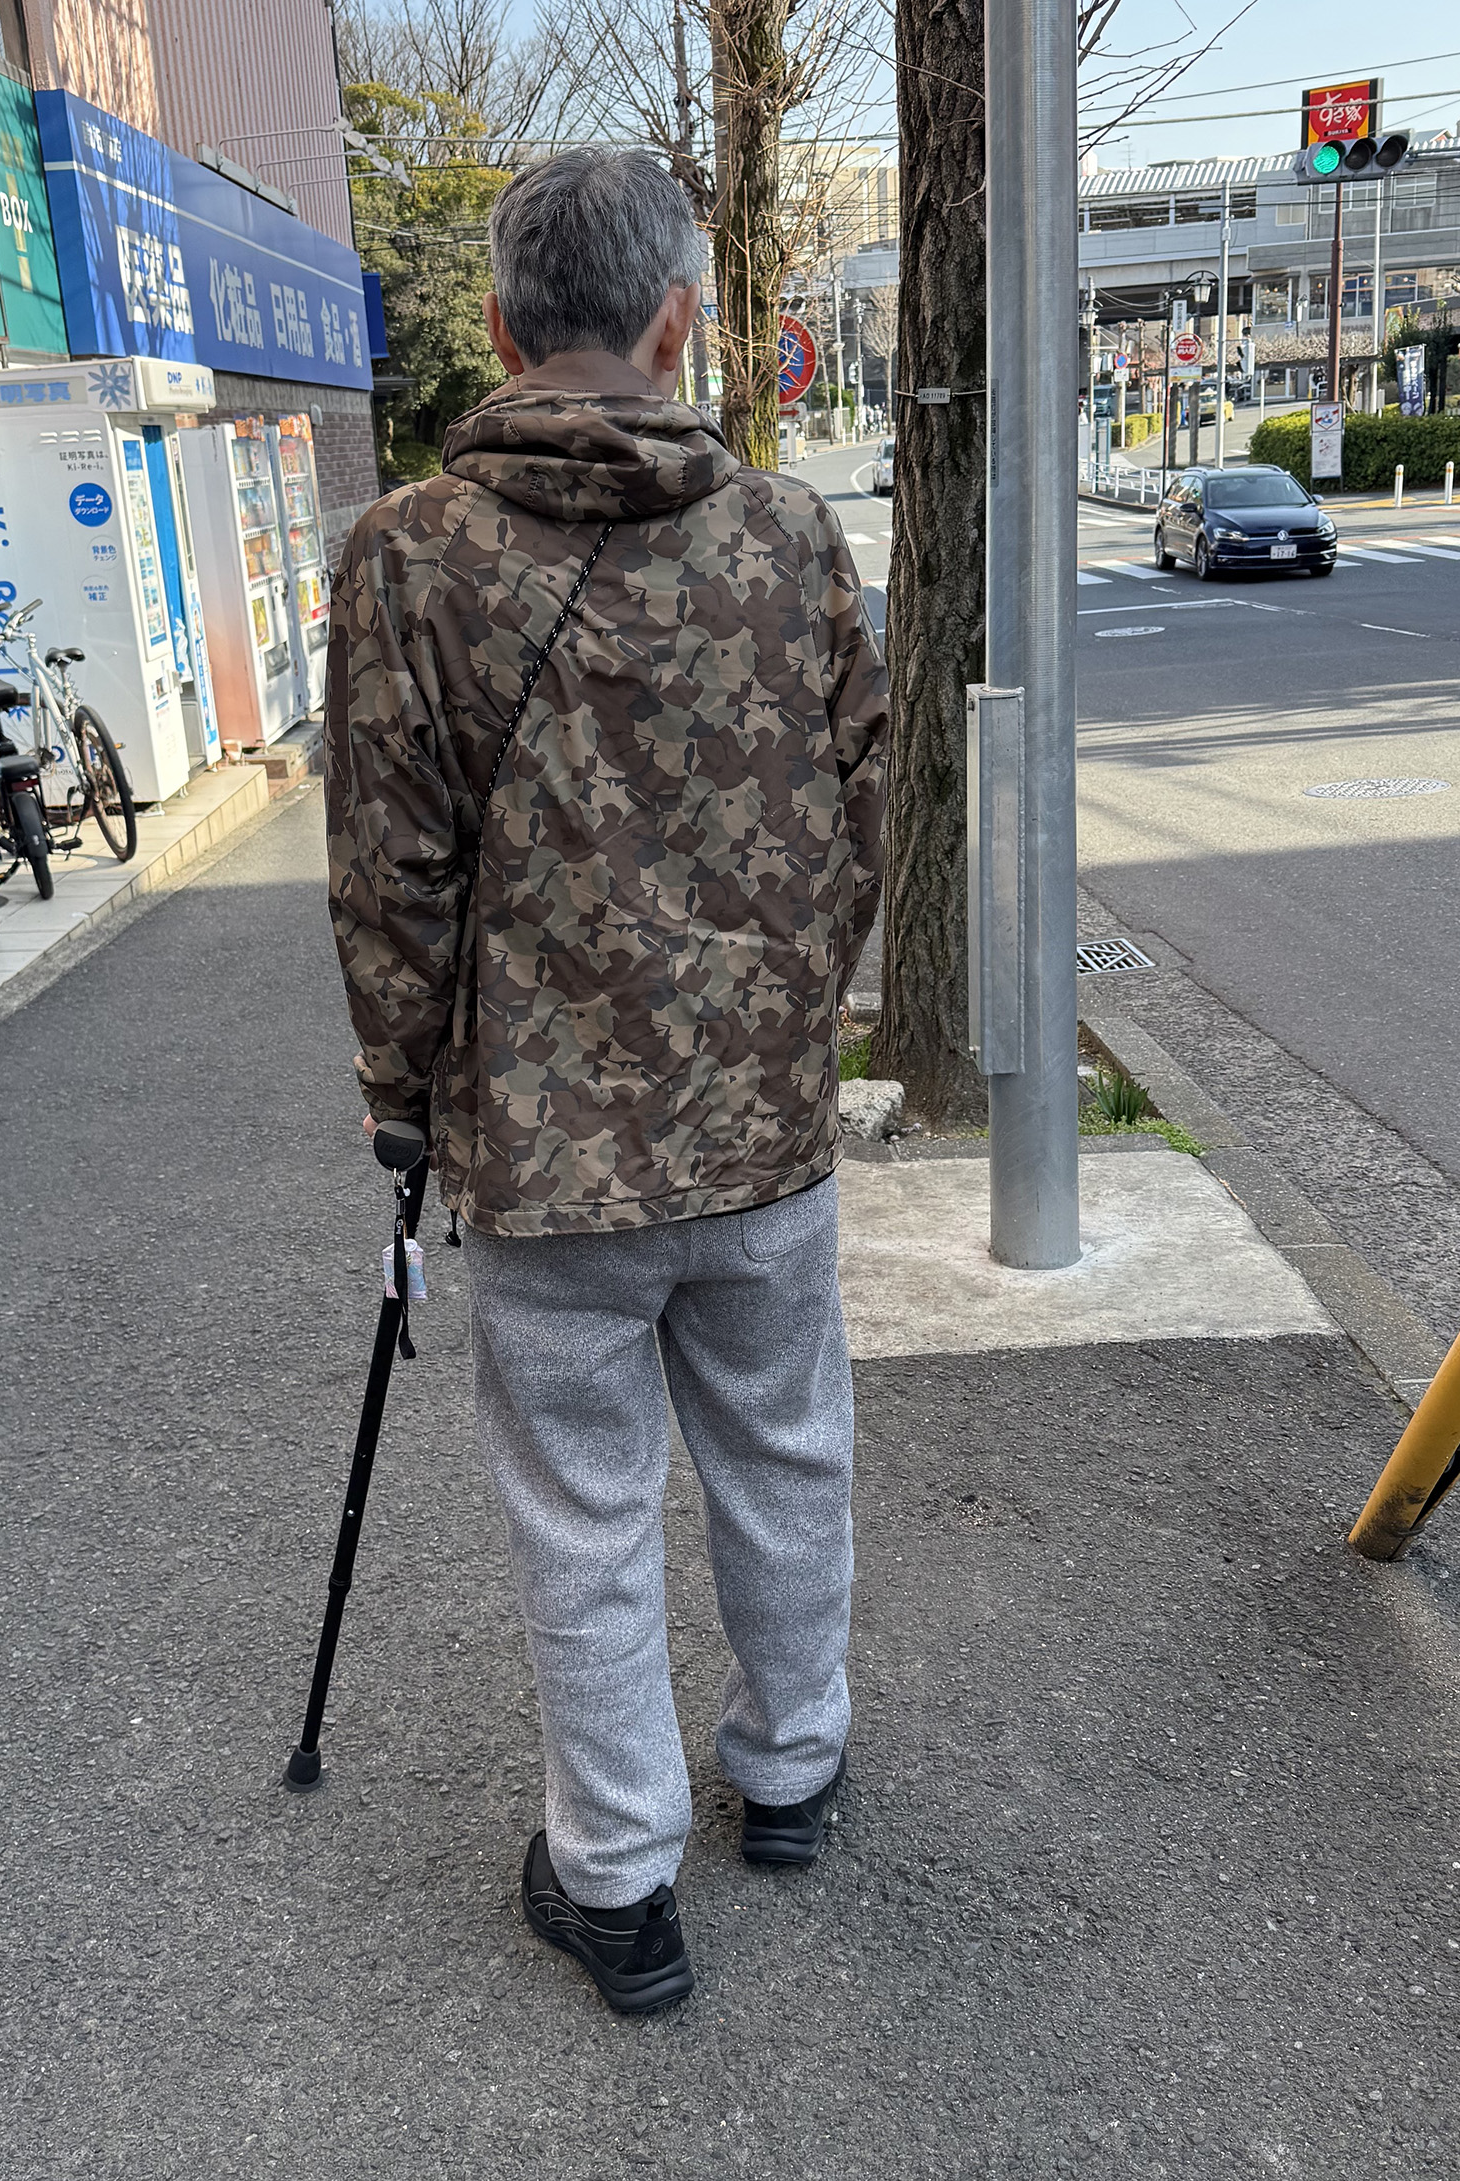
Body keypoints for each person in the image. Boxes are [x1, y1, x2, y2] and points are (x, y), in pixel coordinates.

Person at [325, 148, 889, 2016]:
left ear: (497, 327)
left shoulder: (405, 555)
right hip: (756, 1136)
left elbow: (387, 868)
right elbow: (864, 817)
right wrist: (786, 1024)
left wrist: (407, 1100)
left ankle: (619, 1877)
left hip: (544, 1152)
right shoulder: (791, 537)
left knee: (581, 1507)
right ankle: (790, 1773)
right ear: (676, 325)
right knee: (784, 1453)